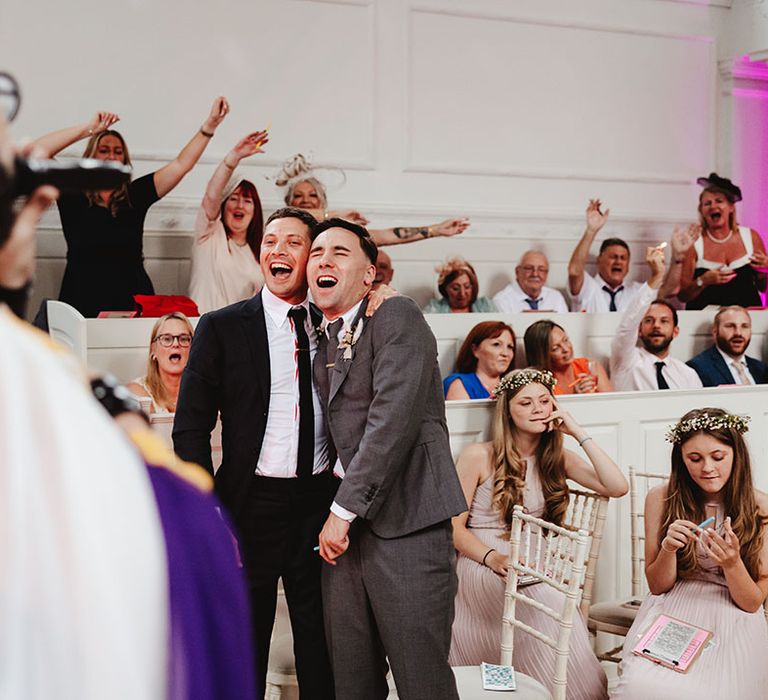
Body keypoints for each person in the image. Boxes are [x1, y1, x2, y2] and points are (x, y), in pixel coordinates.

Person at [173, 207, 336, 700]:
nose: (277, 252)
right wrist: (210, 511)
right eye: (269, 242)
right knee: (245, 640)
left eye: (292, 243)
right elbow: (190, 429)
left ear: (311, 258)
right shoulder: (222, 327)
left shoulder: (335, 324)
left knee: (320, 638)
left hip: (320, 503)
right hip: (249, 504)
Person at [309, 218, 467, 699]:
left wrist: (341, 512)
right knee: (353, 681)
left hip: (407, 525)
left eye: (339, 251)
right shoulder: (322, 339)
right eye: (316, 253)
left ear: (369, 274)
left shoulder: (397, 316)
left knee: (422, 681)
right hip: (346, 539)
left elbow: (391, 423)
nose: (324, 260)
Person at [449, 368, 627, 700]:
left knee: (556, 602)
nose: (538, 409)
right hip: (483, 560)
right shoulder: (479, 455)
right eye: (526, 403)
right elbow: (453, 528)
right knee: (554, 602)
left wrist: (575, 430)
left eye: (545, 401)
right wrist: (493, 557)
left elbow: (617, 487)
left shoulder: (556, 456)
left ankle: (569, 691)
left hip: (534, 558)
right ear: (507, 411)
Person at [612, 408, 768, 700]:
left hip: (733, 610)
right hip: (675, 604)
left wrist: (732, 564)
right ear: (681, 461)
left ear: (737, 455)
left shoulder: (761, 508)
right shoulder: (660, 498)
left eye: (718, 457)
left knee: (717, 690)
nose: (707, 468)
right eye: (694, 459)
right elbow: (658, 587)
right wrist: (668, 549)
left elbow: (752, 602)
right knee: (640, 687)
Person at [31, 98, 229, 317]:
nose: (112, 156)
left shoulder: (136, 194)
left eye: (118, 152)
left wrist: (209, 125)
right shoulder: (72, 193)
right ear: (91, 156)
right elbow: (38, 152)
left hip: (132, 300)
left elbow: (181, 165)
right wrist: (88, 130)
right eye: (104, 150)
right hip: (80, 300)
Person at [278, 155, 470, 246]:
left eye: (313, 195)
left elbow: (387, 236)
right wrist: (336, 214)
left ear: (322, 201)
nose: (306, 200)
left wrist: (435, 229)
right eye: (298, 195)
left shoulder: (335, 232)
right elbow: (297, 217)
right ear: (289, 201)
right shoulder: (277, 230)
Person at [189, 130, 269, 313]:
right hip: (204, 329)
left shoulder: (260, 252)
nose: (240, 205)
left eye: (247, 201)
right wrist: (234, 158)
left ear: (255, 211)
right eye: (233, 198)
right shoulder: (209, 235)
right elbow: (211, 194)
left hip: (240, 335)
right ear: (223, 206)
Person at [610, 246, 703, 391]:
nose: (656, 326)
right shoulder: (626, 360)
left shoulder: (687, 374)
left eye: (664, 321)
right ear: (639, 330)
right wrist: (656, 276)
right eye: (649, 320)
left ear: (675, 331)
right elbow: (627, 325)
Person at [678, 173, 768, 310]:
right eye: (707, 203)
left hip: (746, 321)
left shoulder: (751, 237)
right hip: (702, 324)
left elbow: (763, 287)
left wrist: (765, 269)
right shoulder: (695, 243)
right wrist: (704, 281)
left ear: (731, 207)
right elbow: (683, 295)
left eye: (719, 201)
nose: (713, 206)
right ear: (702, 211)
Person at [567, 199, 644, 312]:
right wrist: (591, 230)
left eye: (623, 258)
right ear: (599, 260)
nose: (618, 262)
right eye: (613, 257)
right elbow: (574, 271)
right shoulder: (587, 286)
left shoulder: (637, 291)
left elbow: (668, 291)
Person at [127, 312, 194, 413]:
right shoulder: (135, 393)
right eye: (167, 339)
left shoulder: (206, 391)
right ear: (153, 350)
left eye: (183, 339)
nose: (175, 344)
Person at [523, 319, 612, 394]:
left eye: (565, 340)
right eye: (555, 348)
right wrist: (578, 398)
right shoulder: (538, 382)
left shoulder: (589, 367)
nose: (566, 349)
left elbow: (612, 403)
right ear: (541, 355)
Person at [686, 305, 768, 386]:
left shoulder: (761, 368)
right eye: (730, 326)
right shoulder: (697, 368)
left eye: (744, 326)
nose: (738, 333)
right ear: (715, 332)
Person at [444, 321, 515, 399]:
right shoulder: (460, 384)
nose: (505, 353)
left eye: (510, 347)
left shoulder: (513, 386)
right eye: (496, 344)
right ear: (475, 350)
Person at [492, 250, 568, 312]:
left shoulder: (556, 298)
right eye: (529, 268)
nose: (535, 274)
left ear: (547, 274)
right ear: (517, 272)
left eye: (541, 269)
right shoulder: (502, 301)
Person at [423, 257, 496, 313]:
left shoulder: (485, 306)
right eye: (455, 288)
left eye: (467, 287)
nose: (462, 294)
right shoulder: (434, 309)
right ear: (445, 288)